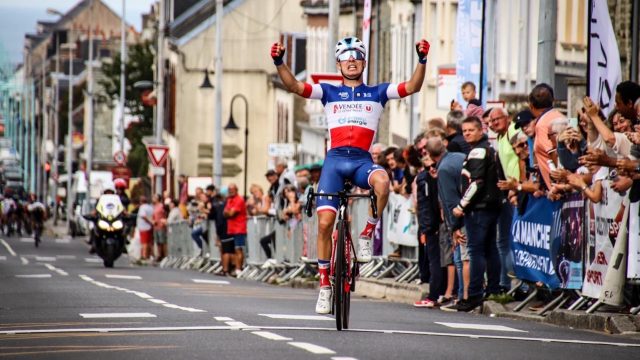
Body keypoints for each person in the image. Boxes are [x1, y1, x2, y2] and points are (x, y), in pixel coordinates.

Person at [272, 35, 430, 314]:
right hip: (334, 162)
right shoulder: (329, 92)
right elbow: (294, 86)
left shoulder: (378, 92)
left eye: (357, 56)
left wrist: (422, 59)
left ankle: (367, 233)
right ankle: (323, 286)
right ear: (338, 64)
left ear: (364, 62)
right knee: (324, 224)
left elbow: (413, 86)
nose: (352, 60)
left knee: (382, 182)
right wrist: (279, 62)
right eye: (346, 57)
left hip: (361, 162)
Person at [452, 116, 502, 311]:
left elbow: (476, 182)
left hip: (479, 208)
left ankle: (474, 295)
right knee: (490, 249)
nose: (466, 134)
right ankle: (493, 290)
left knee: (476, 251)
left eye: (470, 130)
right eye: (464, 131)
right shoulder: (488, 149)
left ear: (481, 130)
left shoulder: (479, 151)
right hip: (490, 206)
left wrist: (461, 206)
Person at [224, 183, 247, 276]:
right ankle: (234, 267)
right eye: (229, 189)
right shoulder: (229, 200)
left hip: (239, 228)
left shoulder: (239, 199)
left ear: (236, 190)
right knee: (233, 249)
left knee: (238, 249)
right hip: (231, 228)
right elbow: (225, 213)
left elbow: (231, 214)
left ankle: (239, 269)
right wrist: (228, 213)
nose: (230, 191)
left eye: (232, 189)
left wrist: (228, 213)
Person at [136, 196, 154, 261]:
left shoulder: (142, 207)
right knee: (149, 242)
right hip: (149, 226)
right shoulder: (150, 207)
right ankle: (149, 255)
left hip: (143, 226)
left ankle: (144, 255)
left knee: (144, 242)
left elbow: (143, 216)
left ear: (141, 201)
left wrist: (149, 221)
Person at [151, 194, 168, 262]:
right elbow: (153, 216)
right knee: (157, 241)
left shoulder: (162, 206)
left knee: (162, 241)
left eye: (155, 197)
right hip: (156, 226)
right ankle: (159, 255)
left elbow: (165, 213)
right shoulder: (154, 206)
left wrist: (164, 221)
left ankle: (165, 255)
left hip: (161, 226)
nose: (153, 198)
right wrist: (153, 221)